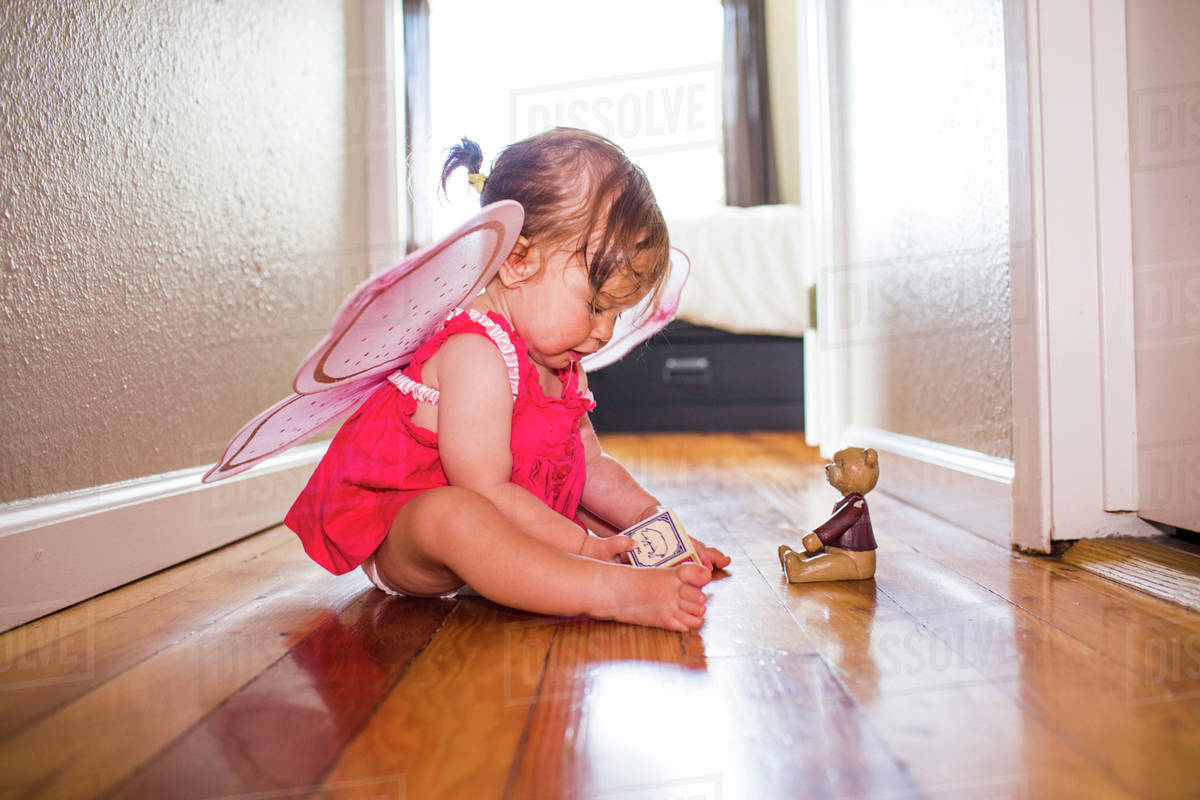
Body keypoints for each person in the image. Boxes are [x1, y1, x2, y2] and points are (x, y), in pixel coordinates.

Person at [285, 128, 730, 631]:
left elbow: (591, 467)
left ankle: (621, 568)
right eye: (595, 306)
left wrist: (662, 531)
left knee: (595, 516)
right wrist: (584, 552)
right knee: (456, 516)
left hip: (510, 516)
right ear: (518, 262)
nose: (603, 332)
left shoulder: (559, 356)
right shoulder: (476, 351)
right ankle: (606, 591)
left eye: (616, 316)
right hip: (416, 536)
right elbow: (487, 491)